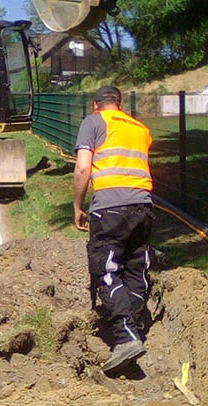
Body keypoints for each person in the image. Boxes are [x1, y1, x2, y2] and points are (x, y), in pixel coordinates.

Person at [73, 85, 155, 374]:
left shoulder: (94, 122)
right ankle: (135, 324)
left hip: (109, 209)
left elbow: (83, 167)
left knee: (106, 270)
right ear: (120, 104)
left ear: (96, 105)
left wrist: (77, 205)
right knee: (135, 268)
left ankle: (125, 336)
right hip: (143, 207)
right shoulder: (139, 127)